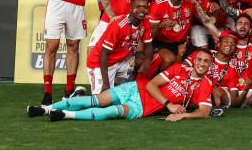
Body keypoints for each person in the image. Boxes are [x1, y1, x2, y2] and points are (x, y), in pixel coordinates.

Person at [27, 48, 214, 122]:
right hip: (135, 89)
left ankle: (64, 115)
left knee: (112, 111)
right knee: (96, 99)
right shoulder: (179, 68)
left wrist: (183, 116)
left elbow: (204, 112)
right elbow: (151, 85)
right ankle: (44, 109)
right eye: (199, 59)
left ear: (209, 65)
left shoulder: (205, 84)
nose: (201, 64)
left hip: (142, 107)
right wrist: (169, 105)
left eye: (206, 61)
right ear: (194, 59)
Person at [86, 0, 153, 94]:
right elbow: (103, 54)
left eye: (145, 7)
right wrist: (105, 83)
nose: (142, 10)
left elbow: (148, 45)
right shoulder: (118, 25)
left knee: (144, 58)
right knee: (101, 101)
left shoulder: (145, 22)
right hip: (100, 64)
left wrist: (147, 62)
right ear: (131, 8)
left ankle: (133, 87)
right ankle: (69, 104)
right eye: (138, 6)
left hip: (121, 61)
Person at [148, 0, 195, 70]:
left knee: (199, 56)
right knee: (169, 59)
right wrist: (161, 26)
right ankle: (159, 83)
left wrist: (186, 42)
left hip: (181, 43)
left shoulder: (190, 2)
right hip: (162, 43)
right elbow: (150, 35)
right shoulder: (158, 4)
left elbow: (205, 20)